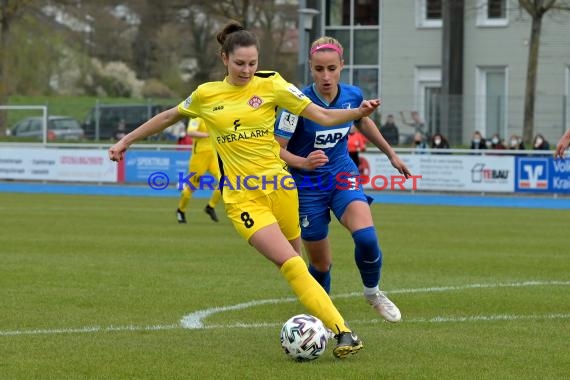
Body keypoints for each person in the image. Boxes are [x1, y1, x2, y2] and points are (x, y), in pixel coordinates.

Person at [108, 21, 382, 359]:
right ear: (224, 58)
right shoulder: (207, 94)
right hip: (242, 197)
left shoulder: (273, 85)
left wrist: (359, 111)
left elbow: (324, 116)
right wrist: (125, 141)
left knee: (300, 262)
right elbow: (167, 117)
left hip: (282, 189)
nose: (247, 70)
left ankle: (320, 324)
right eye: (240, 63)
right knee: (292, 265)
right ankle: (343, 332)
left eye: (253, 63)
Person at [275, 36, 411, 324]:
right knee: (321, 264)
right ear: (310, 68)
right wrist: (303, 162)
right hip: (307, 186)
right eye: (319, 69)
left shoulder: (352, 94)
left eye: (332, 68)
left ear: (342, 67)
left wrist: (390, 154)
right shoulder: (295, 102)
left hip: (341, 175)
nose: (326, 76)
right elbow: (276, 148)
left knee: (366, 236)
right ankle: (322, 320)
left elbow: (362, 120)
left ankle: (373, 292)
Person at [176, 117, 221, 224]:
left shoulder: (213, 115)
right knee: (192, 187)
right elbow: (190, 132)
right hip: (199, 157)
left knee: (226, 181)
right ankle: (180, 210)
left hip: (213, 156)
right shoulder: (197, 117)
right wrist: (206, 134)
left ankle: (210, 206)